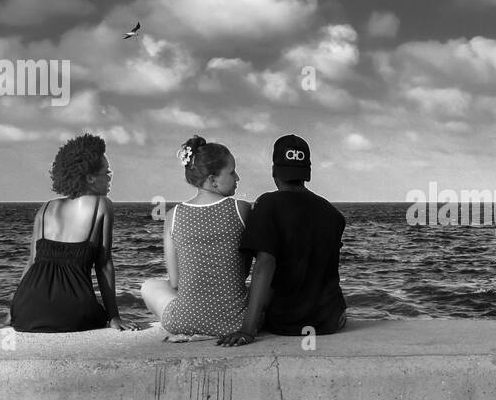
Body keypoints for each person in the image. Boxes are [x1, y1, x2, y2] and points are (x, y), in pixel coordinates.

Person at [0, 133, 139, 332]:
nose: (110, 178)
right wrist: (114, 317)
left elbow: (31, 264)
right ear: (90, 178)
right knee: (97, 313)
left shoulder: (45, 209)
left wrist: (12, 314)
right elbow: (104, 265)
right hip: (74, 312)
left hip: (27, 311)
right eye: (107, 172)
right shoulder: (102, 205)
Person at [218, 134, 347, 346]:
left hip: (287, 323)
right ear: (307, 173)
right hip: (331, 320)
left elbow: (264, 264)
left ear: (274, 171)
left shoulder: (267, 204)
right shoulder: (333, 214)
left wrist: (247, 330)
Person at [140, 135, 252, 337]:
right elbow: (243, 269)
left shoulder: (173, 215)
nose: (237, 178)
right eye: (232, 172)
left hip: (186, 321)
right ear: (212, 179)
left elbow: (175, 282)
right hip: (238, 321)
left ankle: (195, 324)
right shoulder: (241, 209)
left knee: (149, 286)